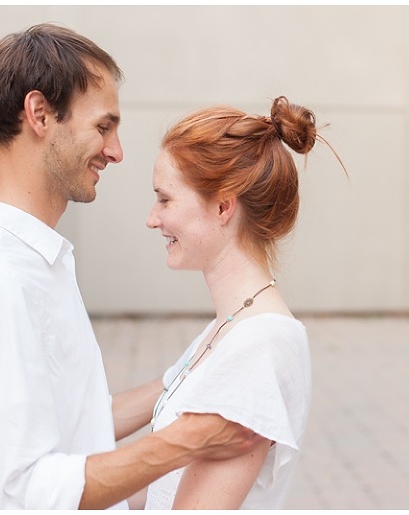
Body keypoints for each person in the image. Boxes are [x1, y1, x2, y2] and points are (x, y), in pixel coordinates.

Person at [0, 23, 259, 510]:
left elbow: (73, 423)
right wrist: (186, 442)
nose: (117, 151)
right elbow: (23, 490)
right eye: (104, 126)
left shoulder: (35, 265)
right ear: (39, 114)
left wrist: (190, 375)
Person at [143, 96, 345, 509]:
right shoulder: (228, 326)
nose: (153, 218)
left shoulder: (259, 345)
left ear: (222, 206)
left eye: (165, 199)